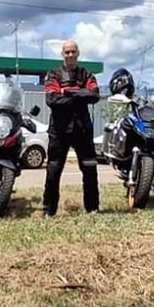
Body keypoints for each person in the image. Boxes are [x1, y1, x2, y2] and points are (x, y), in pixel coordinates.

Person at [41, 40, 100, 217]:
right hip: (59, 130)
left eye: (73, 52)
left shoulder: (87, 73)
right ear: (62, 54)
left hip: (83, 129)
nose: (70, 55)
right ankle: (48, 210)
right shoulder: (53, 74)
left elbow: (94, 95)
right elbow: (52, 100)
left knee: (90, 170)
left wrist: (67, 92)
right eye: (67, 52)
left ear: (78, 53)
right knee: (53, 170)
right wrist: (80, 94)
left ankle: (92, 208)